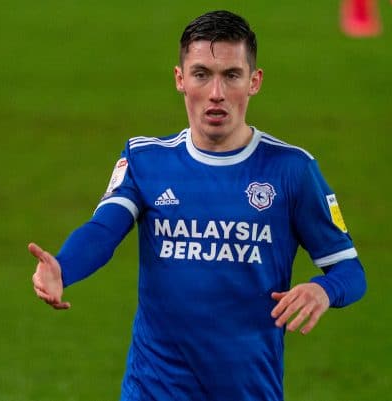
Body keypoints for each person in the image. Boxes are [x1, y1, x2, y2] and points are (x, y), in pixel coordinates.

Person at [29, 10, 367, 401]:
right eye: (202, 74)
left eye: (231, 75)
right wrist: (64, 267)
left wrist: (324, 290)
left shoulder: (292, 171)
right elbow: (103, 229)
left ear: (254, 82)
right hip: (152, 390)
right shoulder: (145, 159)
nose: (216, 93)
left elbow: (350, 270)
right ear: (180, 79)